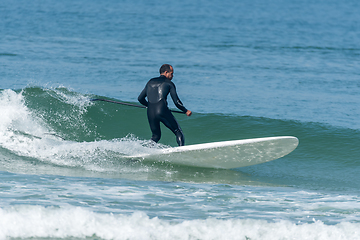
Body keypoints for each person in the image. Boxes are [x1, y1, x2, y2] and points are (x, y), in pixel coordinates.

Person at [138, 64, 192, 146]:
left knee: (156, 136)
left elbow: (140, 99)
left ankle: (145, 151)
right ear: (166, 72)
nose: (172, 76)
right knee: (178, 132)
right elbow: (177, 102)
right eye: (171, 73)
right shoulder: (169, 83)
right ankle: (181, 151)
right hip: (162, 110)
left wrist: (150, 106)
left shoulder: (150, 81)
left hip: (150, 112)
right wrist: (186, 111)